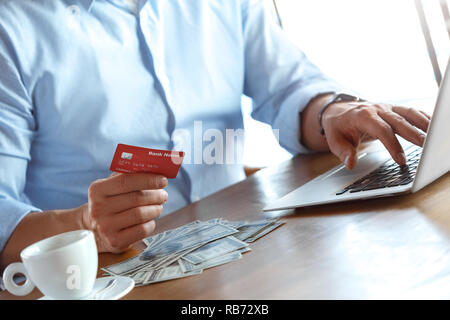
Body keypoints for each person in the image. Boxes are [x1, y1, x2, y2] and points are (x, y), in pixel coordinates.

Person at [0, 0, 430, 270]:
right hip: (108, 274)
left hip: (243, 253)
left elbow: (289, 88)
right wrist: (84, 226)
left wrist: (333, 113)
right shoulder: (12, 27)